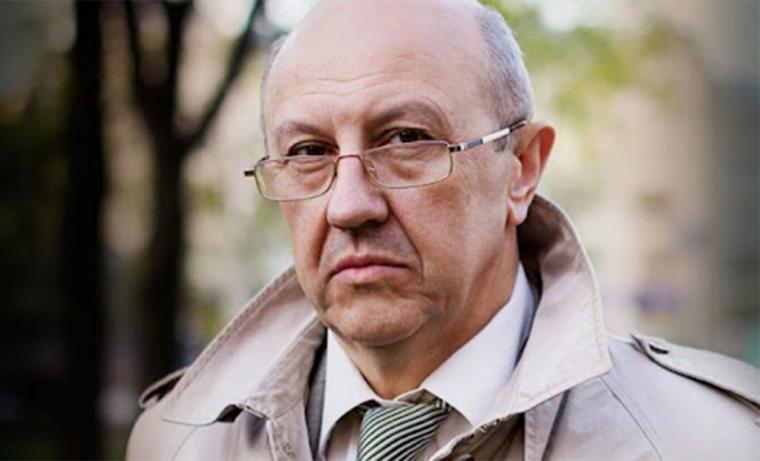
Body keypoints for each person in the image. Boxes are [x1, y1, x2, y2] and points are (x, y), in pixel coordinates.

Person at [126, 0, 759, 459]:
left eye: (406, 139)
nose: (349, 206)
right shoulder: (177, 441)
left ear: (521, 169)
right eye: (309, 152)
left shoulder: (710, 443)